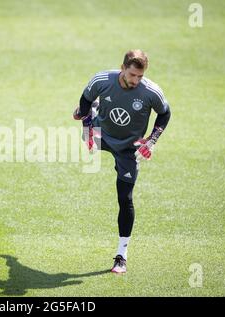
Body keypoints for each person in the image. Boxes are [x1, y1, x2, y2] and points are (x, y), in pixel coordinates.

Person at [73, 49, 171, 274]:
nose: (136, 80)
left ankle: (121, 255)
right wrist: (86, 122)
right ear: (122, 68)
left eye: (140, 76)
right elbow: (85, 98)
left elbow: (165, 114)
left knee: (125, 198)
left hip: (129, 148)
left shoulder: (150, 92)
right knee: (85, 120)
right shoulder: (102, 80)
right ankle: (95, 112)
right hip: (103, 135)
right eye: (132, 75)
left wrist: (152, 140)